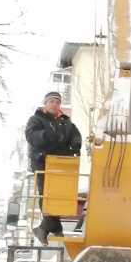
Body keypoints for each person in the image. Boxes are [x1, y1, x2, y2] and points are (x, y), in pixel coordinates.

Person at [24, 90, 83, 242]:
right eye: (51, 101)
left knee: (59, 196)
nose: (54, 104)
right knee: (47, 195)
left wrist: (75, 147)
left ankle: (48, 228)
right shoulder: (36, 119)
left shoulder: (65, 122)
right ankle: (52, 227)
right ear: (45, 103)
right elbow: (31, 135)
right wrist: (47, 135)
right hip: (43, 162)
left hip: (61, 164)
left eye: (57, 102)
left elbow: (75, 135)